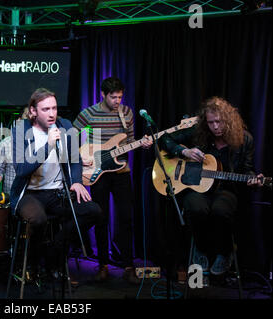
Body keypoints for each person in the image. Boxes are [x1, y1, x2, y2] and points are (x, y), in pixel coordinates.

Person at [158, 96, 264, 275]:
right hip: (197, 187)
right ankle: (200, 248)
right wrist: (184, 151)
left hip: (226, 189)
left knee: (220, 211)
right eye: (211, 122)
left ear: (229, 120)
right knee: (196, 208)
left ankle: (225, 251)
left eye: (219, 122)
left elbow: (247, 169)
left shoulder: (245, 139)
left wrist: (253, 179)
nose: (215, 127)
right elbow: (165, 139)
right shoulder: (199, 132)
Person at [10, 88, 104, 277]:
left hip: (58, 193)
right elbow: (21, 169)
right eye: (45, 109)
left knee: (93, 211)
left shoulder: (65, 125)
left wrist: (77, 181)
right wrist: (48, 146)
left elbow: (75, 159)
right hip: (30, 194)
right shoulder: (21, 130)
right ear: (33, 111)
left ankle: (54, 252)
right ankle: (33, 263)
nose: (52, 113)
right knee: (38, 220)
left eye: (54, 108)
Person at [73, 77, 152, 282]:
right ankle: (102, 265)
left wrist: (141, 144)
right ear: (103, 94)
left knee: (126, 217)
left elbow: (130, 139)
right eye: (113, 97)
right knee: (100, 217)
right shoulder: (89, 113)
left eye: (120, 97)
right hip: (98, 172)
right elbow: (71, 135)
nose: (117, 100)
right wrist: (82, 156)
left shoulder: (126, 113)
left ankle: (127, 266)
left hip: (121, 171)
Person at [0, 107, 30, 194]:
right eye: (27, 116)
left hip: (37, 198)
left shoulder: (44, 144)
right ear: (19, 121)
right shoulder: (5, 144)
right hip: (13, 197)